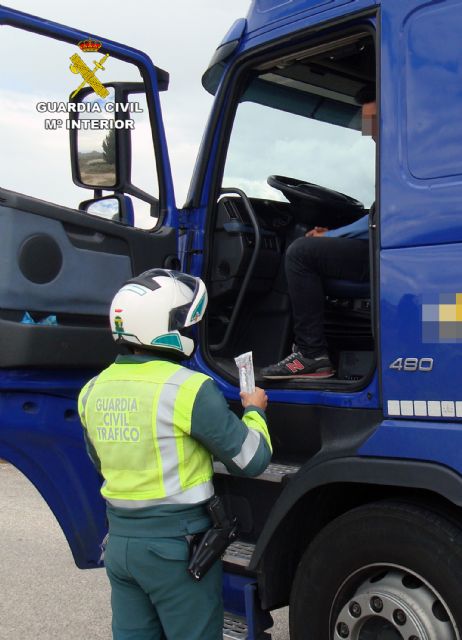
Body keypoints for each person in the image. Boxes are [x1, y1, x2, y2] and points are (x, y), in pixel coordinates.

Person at [78, 268, 272, 640]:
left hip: (120, 547)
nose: (188, 332)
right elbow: (252, 460)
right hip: (176, 551)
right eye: (185, 325)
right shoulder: (188, 388)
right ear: (164, 328)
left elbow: (101, 461)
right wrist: (255, 411)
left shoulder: (92, 390)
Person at [261, 90, 377, 380]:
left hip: (388, 250)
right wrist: (335, 234)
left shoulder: (404, 154)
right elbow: (379, 217)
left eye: (372, 121)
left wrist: (332, 236)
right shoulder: (414, 151)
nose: (368, 132)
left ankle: (312, 354)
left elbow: (383, 220)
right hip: (390, 244)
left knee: (301, 253)